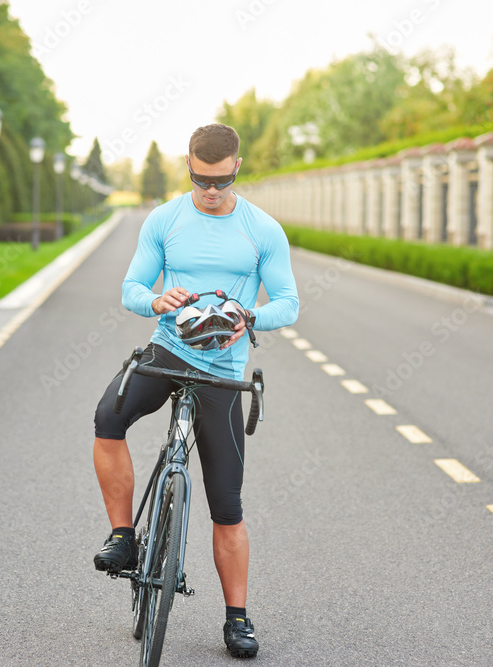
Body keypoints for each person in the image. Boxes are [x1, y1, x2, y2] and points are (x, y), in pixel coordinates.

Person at [92, 123, 298, 659]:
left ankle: (237, 617)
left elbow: (289, 303)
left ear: (237, 167)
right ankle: (123, 537)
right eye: (202, 179)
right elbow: (131, 288)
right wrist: (156, 301)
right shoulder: (165, 220)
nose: (212, 190)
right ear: (189, 166)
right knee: (106, 418)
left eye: (223, 179)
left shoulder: (262, 229)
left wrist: (250, 314)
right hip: (168, 352)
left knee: (226, 506)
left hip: (223, 371)